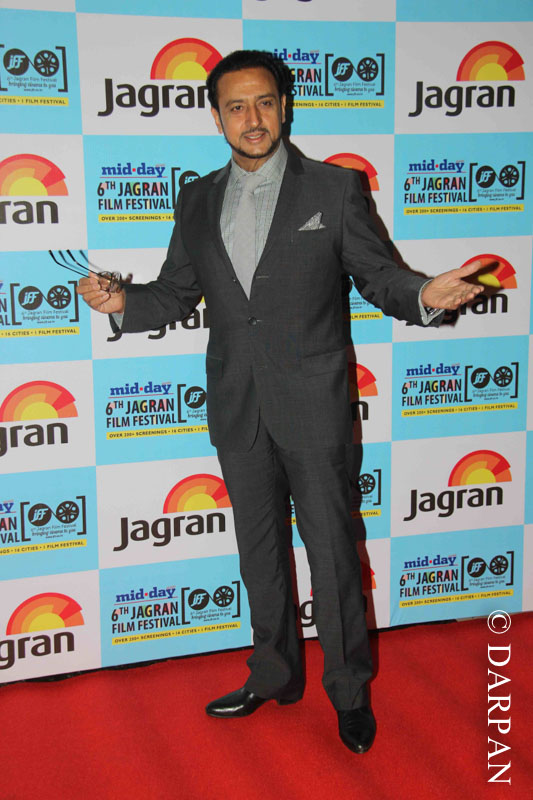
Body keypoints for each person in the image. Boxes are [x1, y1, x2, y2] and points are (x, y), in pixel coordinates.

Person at [77, 49, 483, 754]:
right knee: (257, 551)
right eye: (236, 106)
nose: (252, 118)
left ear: (284, 107)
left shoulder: (334, 188)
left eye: (264, 102)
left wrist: (422, 294)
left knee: (331, 553)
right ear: (216, 117)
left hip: (313, 406)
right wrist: (120, 303)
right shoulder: (195, 198)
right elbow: (175, 292)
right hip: (238, 404)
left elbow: (377, 276)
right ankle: (273, 675)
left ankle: (349, 694)